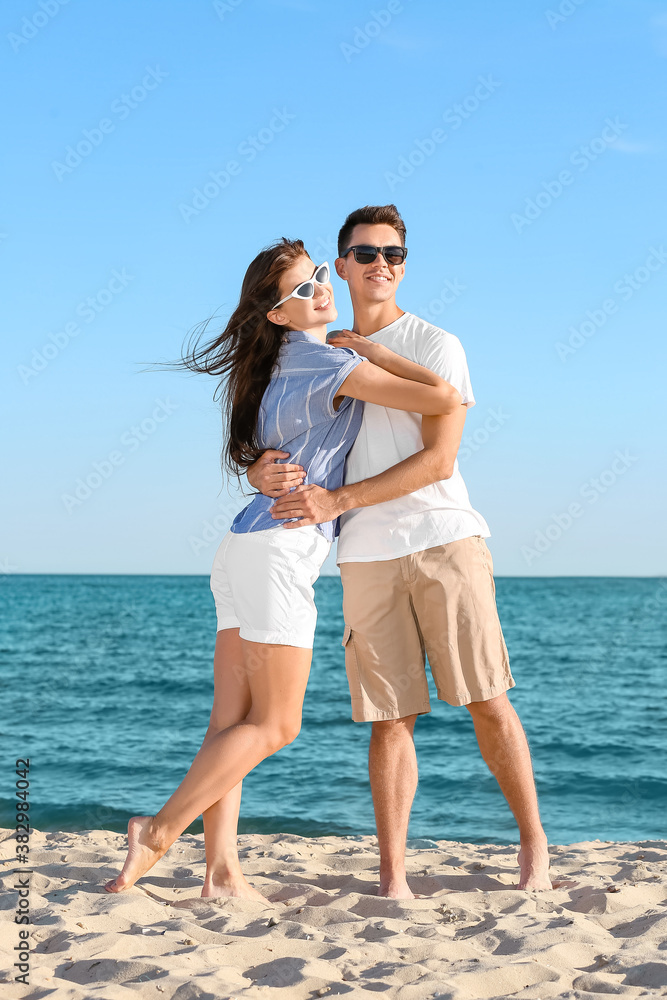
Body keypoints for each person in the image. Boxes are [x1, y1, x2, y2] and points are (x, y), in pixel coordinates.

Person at [104, 237, 461, 896]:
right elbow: (444, 399)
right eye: (301, 290)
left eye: (319, 276)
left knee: (230, 725)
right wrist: (377, 351)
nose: (320, 289)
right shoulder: (325, 364)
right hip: (280, 551)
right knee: (276, 724)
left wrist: (253, 466)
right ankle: (158, 832)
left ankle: (220, 872)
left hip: (243, 547)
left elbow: (262, 451)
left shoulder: (275, 369)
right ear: (276, 315)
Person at [249, 205, 553, 895]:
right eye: (364, 253)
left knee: (487, 699)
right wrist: (256, 471)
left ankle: (534, 850)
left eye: (393, 252)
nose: (380, 262)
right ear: (341, 264)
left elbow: (439, 461)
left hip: (445, 538)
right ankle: (392, 879)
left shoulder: (435, 343)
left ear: (404, 264)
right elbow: (276, 438)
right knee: (389, 720)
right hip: (362, 554)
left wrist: (337, 500)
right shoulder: (314, 350)